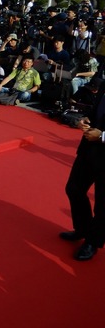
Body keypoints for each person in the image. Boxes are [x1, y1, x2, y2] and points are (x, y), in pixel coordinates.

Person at [59, 78, 105, 261]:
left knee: (102, 204)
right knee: (74, 188)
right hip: (89, 148)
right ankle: (82, 229)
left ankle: (92, 241)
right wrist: (86, 119)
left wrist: (102, 136)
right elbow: (98, 110)